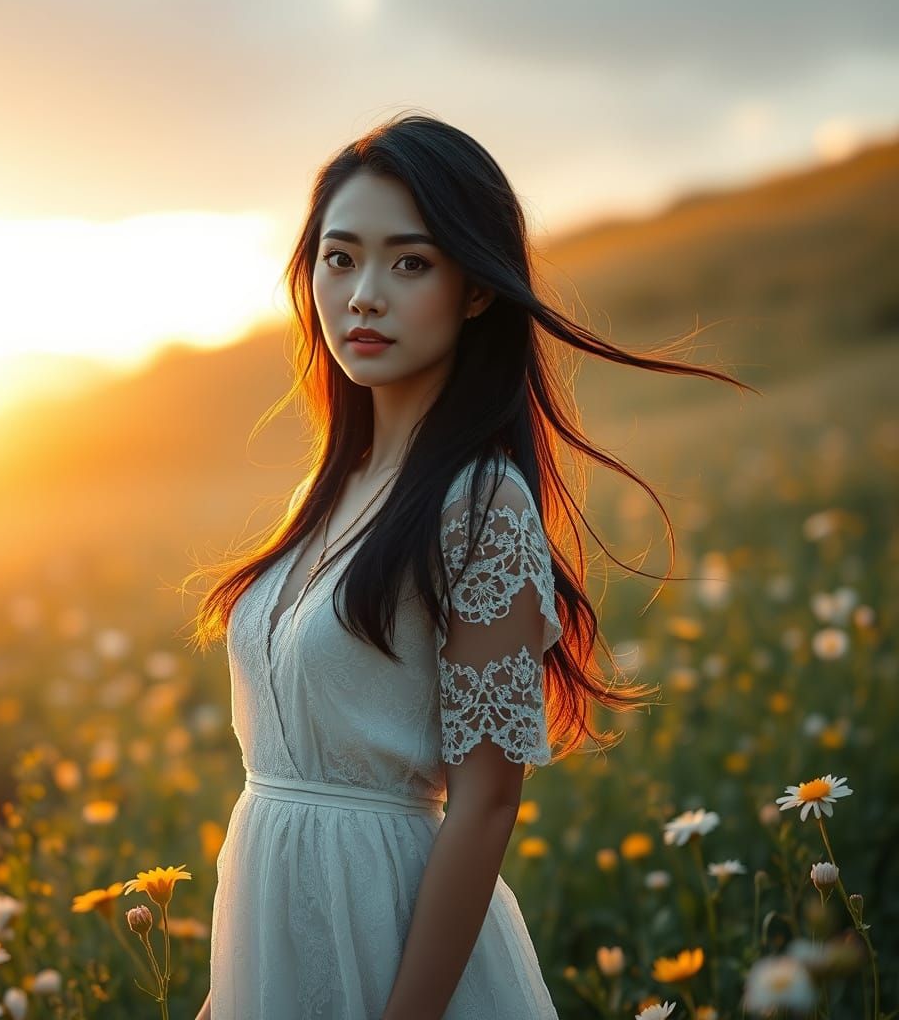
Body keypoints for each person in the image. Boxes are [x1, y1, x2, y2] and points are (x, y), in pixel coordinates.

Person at [184, 111, 754, 1019]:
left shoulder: (480, 506)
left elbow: (486, 802)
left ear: (476, 290)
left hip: (398, 944)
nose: (365, 294)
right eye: (341, 258)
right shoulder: (320, 496)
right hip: (268, 938)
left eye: (410, 262)